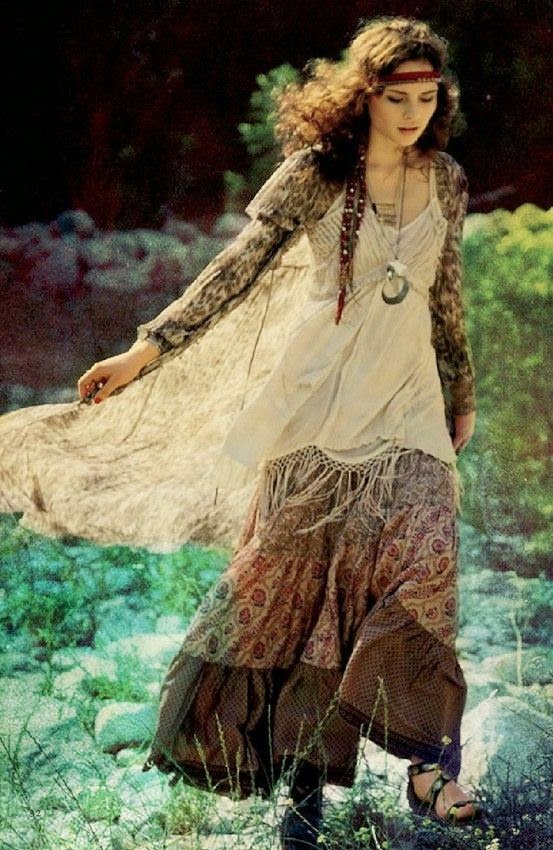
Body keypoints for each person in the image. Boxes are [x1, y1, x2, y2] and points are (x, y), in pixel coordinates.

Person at [8, 14, 482, 848]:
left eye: (426, 97)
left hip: (408, 408)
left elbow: (443, 293)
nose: (413, 113)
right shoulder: (315, 173)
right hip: (314, 407)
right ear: (362, 94)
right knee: (298, 594)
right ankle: (301, 789)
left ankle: (426, 764)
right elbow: (234, 271)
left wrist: (459, 391)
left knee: (424, 564)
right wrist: (145, 350)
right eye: (396, 96)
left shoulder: (444, 178)